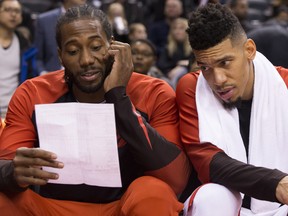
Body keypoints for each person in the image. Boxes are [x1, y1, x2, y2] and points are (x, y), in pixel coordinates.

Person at [0, 4, 190, 216]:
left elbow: (175, 179)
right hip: (50, 207)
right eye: (73, 51)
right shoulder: (32, 92)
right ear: (60, 56)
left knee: (155, 192)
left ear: (113, 47)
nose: (86, 60)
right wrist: (12, 172)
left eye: (96, 47)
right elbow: (5, 162)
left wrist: (119, 97)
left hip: (122, 207)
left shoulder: (153, 92)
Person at [176, 3, 288, 216]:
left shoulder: (285, 84)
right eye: (205, 68)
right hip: (231, 206)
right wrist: (276, 183)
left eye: (225, 62)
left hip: (283, 206)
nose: (217, 80)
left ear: (249, 50)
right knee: (212, 196)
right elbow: (208, 162)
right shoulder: (191, 87)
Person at [0, 0, 37, 119]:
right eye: (8, 10)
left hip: (15, 112)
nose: (13, 14)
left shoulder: (25, 45)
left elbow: (30, 78)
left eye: (17, 11)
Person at [34, 0, 86, 75]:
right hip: (52, 77)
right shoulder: (44, 20)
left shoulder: (93, 19)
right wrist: (43, 72)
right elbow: (37, 57)